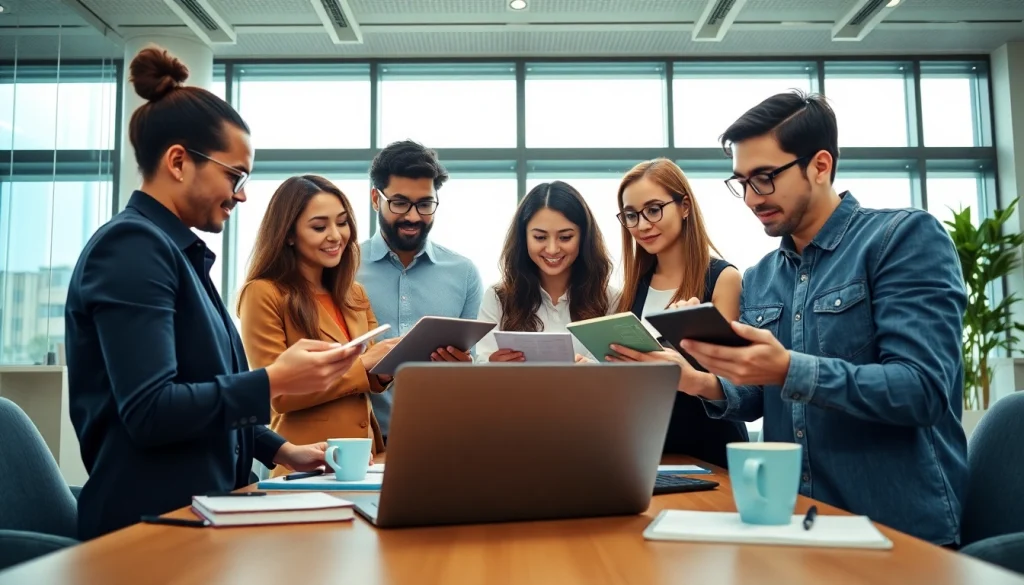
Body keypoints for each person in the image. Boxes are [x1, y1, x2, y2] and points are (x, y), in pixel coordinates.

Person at [622, 90, 968, 546]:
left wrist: (788, 368)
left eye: (765, 178)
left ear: (820, 166)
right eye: (742, 182)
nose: (751, 198)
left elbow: (922, 391)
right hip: (793, 522)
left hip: (896, 530)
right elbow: (757, 397)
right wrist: (695, 380)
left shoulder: (901, 239)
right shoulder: (762, 275)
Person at [64, 46, 362, 540]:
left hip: (199, 514)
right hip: (148, 531)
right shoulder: (132, 247)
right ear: (179, 161)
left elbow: (203, 389)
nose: (241, 194)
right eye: (235, 176)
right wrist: (273, 380)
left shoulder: (176, 252)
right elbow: (151, 410)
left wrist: (280, 450)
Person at [237, 175, 401, 475]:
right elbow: (278, 394)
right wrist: (363, 365)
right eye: (319, 227)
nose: (336, 236)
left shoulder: (354, 294)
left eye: (342, 222)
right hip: (305, 463)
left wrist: (388, 365)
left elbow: (368, 375)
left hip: (365, 459)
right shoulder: (263, 293)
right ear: (289, 234)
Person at [605, 158, 749, 469]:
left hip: (710, 450)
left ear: (684, 207)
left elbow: (733, 382)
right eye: (631, 215)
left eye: (654, 209)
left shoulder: (723, 279)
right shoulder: (634, 288)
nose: (642, 225)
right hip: (651, 451)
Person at [357, 140, 484, 440]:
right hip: (362, 443)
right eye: (400, 203)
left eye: (425, 204)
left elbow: (475, 366)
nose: (413, 217)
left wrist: (466, 368)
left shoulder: (464, 273)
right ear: (375, 198)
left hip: (441, 439)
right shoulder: (345, 269)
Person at [476, 181, 617, 363]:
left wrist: (592, 369)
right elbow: (481, 363)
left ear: (583, 238)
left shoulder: (611, 299)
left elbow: (622, 371)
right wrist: (493, 365)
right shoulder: (498, 297)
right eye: (540, 237)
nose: (552, 249)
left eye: (565, 237)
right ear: (524, 237)